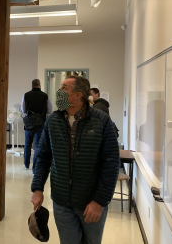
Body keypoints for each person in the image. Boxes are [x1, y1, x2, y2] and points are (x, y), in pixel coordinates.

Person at [31, 75, 120, 244]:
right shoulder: (53, 121)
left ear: (78, 95)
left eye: (64, 88)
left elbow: (111, 163)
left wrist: (99, 201)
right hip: (62, 201)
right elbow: (42, 157)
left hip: (91, 202)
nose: (59, 91)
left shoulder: (101, 121)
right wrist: (37, 188)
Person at [21, 79, 52, 172]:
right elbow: (49, 110)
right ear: (40, 85)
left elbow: (23, 109)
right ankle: (35, 167)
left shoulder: (26, 95)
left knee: (27, 144)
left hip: (29, 123)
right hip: (40, 123)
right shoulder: (45, 96)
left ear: (32, 86)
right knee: (38, 145)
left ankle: (26, 164)